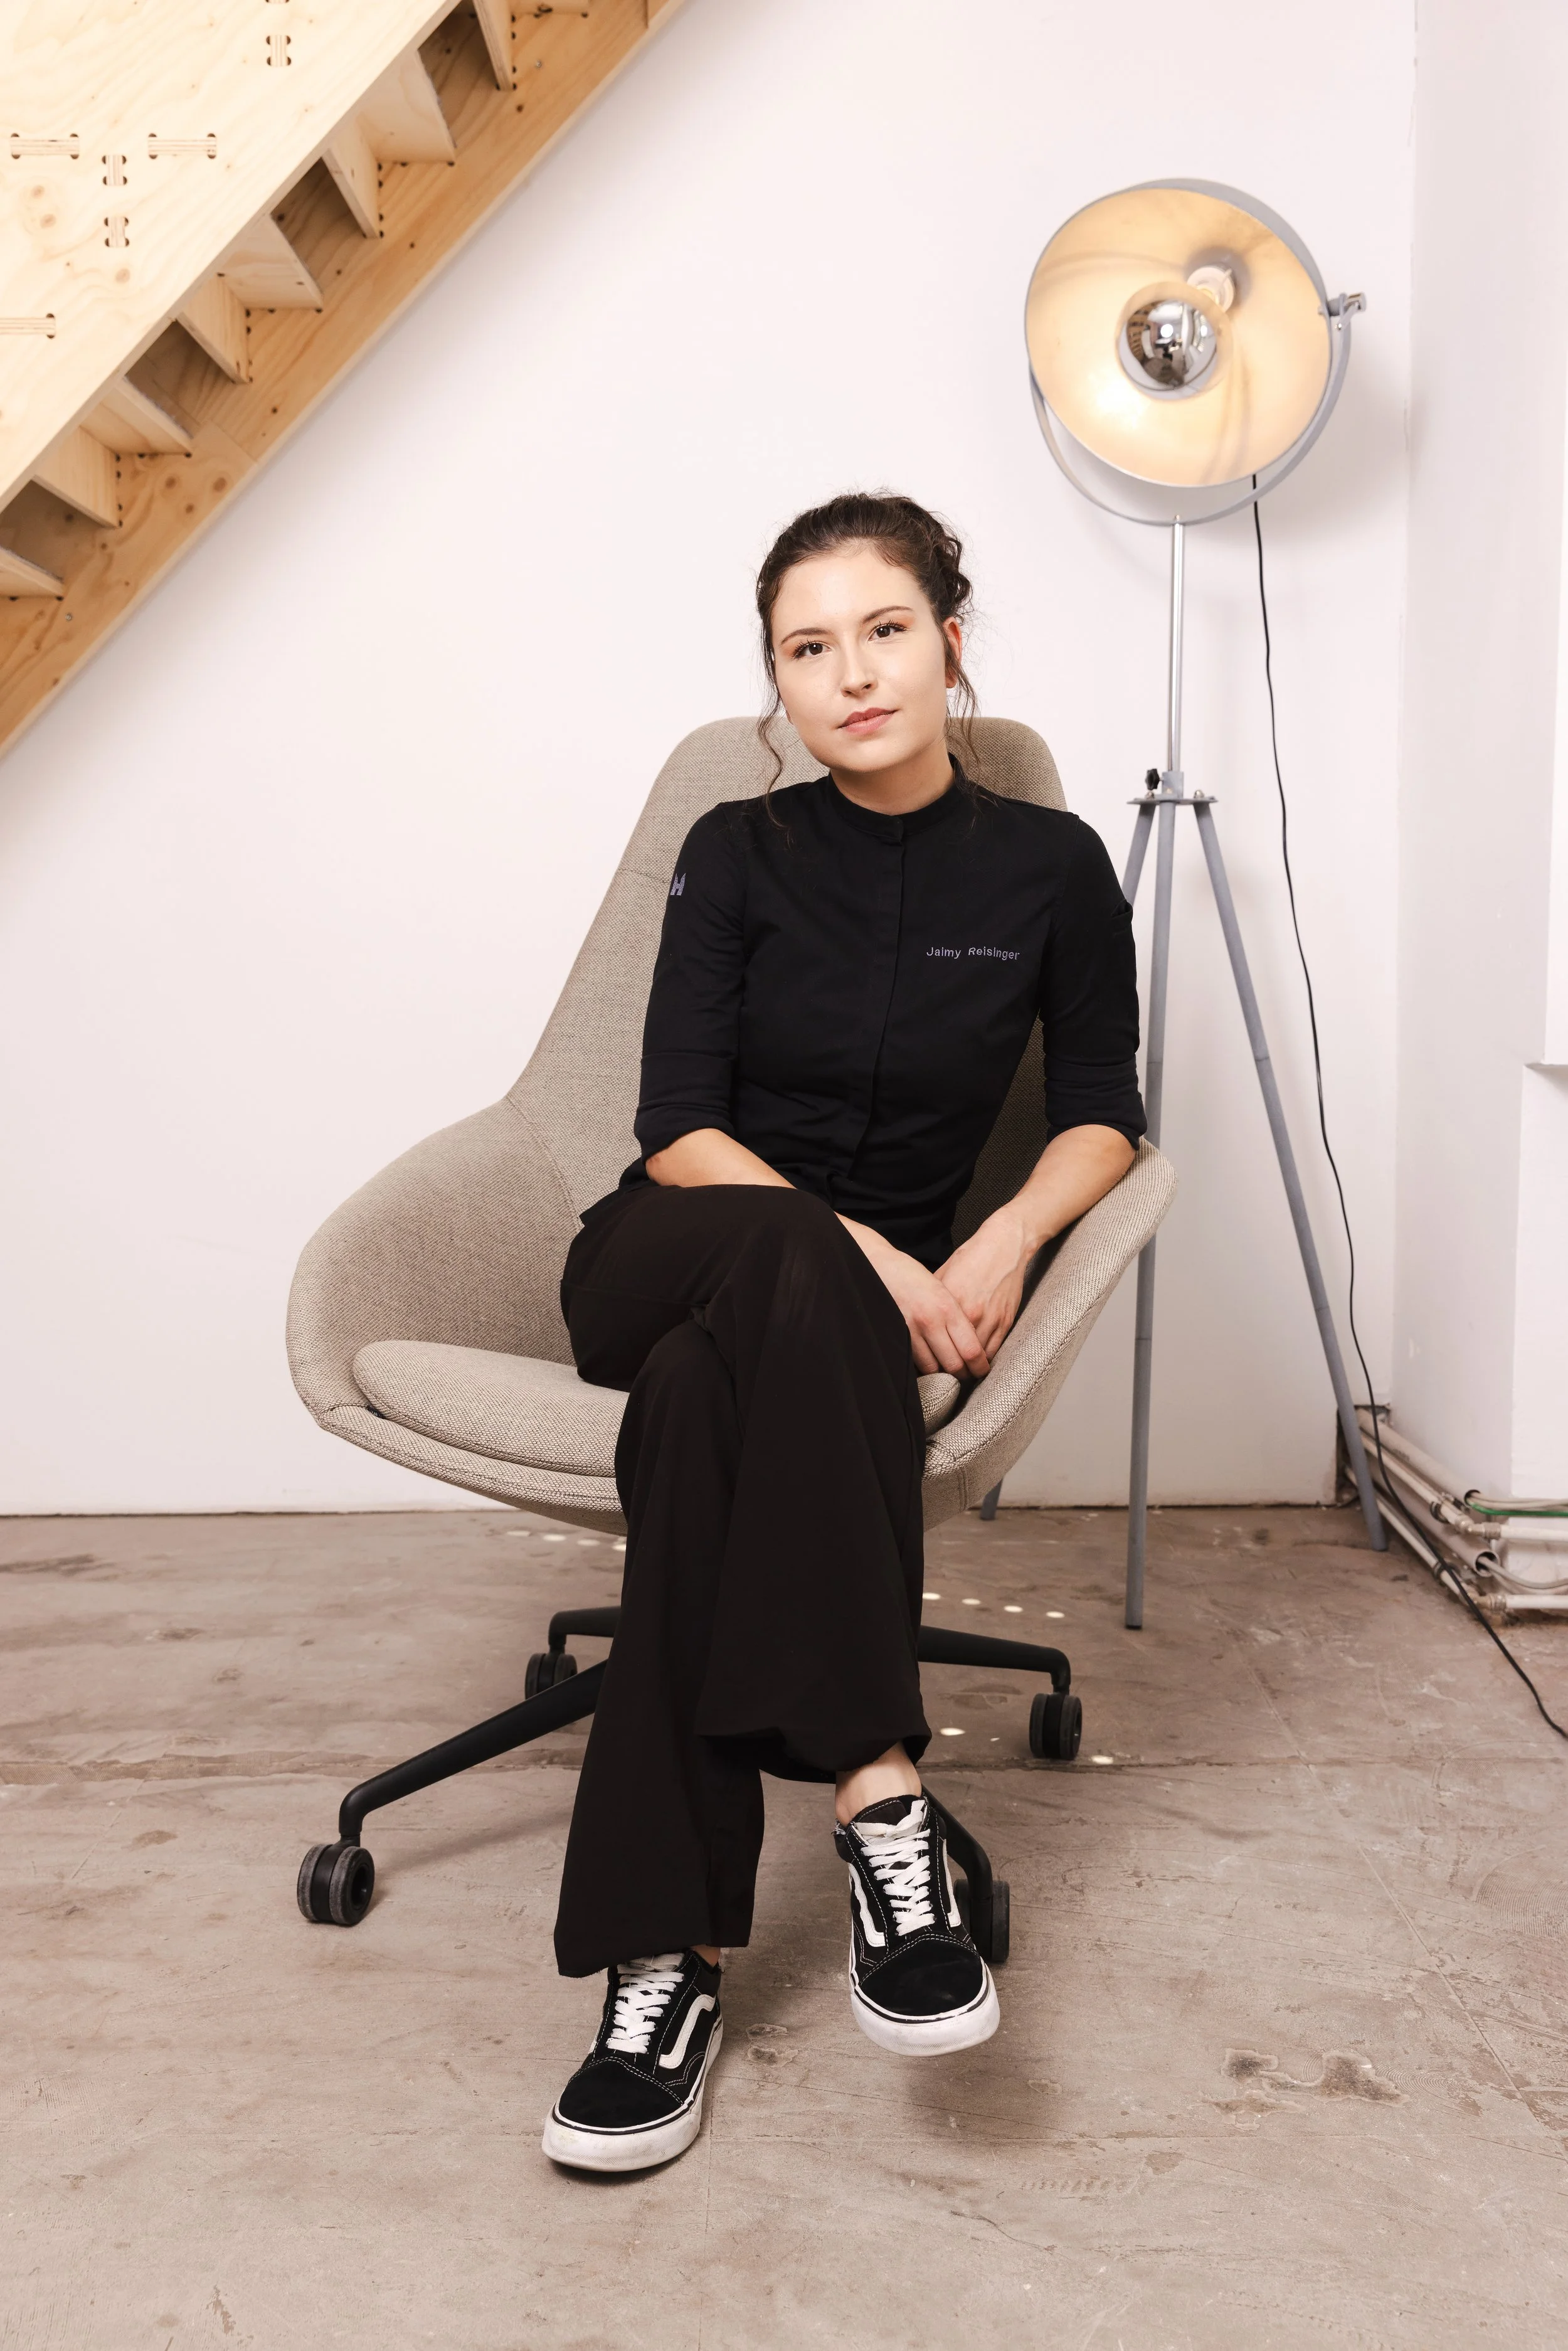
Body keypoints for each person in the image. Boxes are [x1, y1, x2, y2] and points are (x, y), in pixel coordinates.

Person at [541, 492, 1143, 2173]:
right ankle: (880, 1786)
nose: (851, 673)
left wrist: (1011, 1233)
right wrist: (886, 1263)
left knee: (691, 1421)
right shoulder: (738, 853)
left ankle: (661, 1967)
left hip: (779, 1348)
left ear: (953, 638)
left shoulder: (1048, 868)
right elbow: (678, 1127)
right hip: (668, 1253)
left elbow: (1105, 1111)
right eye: (808, 648)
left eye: (882, 629)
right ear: (777, 689)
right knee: (760, 1290)